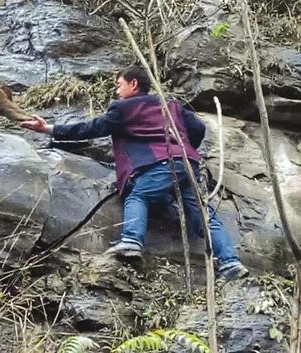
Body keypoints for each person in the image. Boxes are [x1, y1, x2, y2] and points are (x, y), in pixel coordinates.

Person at [21, 66, 249, 281]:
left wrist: (48, 128)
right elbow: (198, 129)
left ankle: (131, 241)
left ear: (133, 83)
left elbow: (92, 129)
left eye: (119, 84)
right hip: (188, 164)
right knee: (203, 216)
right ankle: (231, 263)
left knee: (139, 195)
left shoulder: (124, 108)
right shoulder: (172, 105)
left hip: (157, 163)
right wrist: (185, 150)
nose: (117, 90)